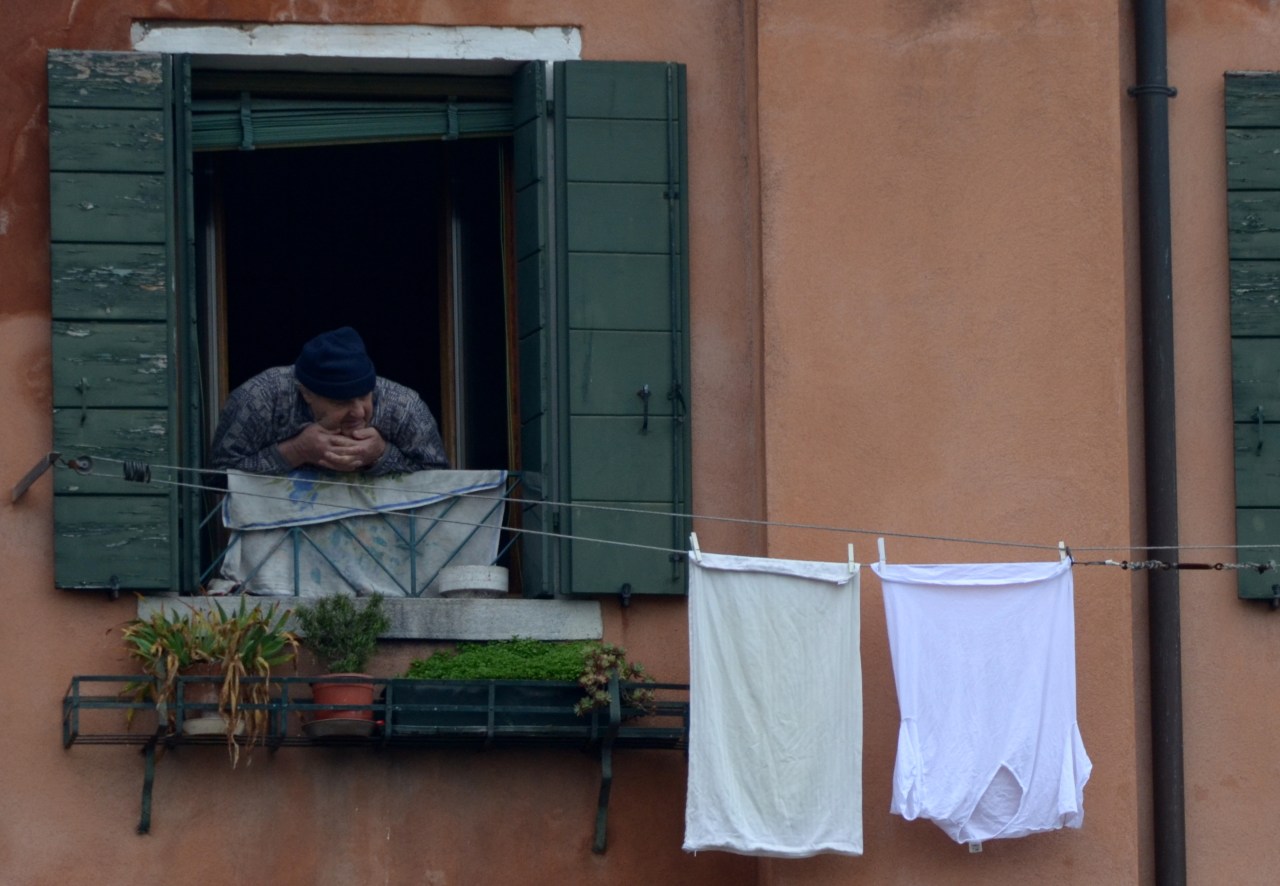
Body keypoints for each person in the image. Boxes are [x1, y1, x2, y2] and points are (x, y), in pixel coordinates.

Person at [210, 326, 449, 476]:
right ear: (306, 393)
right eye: (341, 402)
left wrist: (380, 454)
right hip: (281, 539)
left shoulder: (404, 406)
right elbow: (217, 477)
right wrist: (296, 450)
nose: (358, 412)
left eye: (364, 396)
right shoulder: (258, 399)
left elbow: (441, 480)